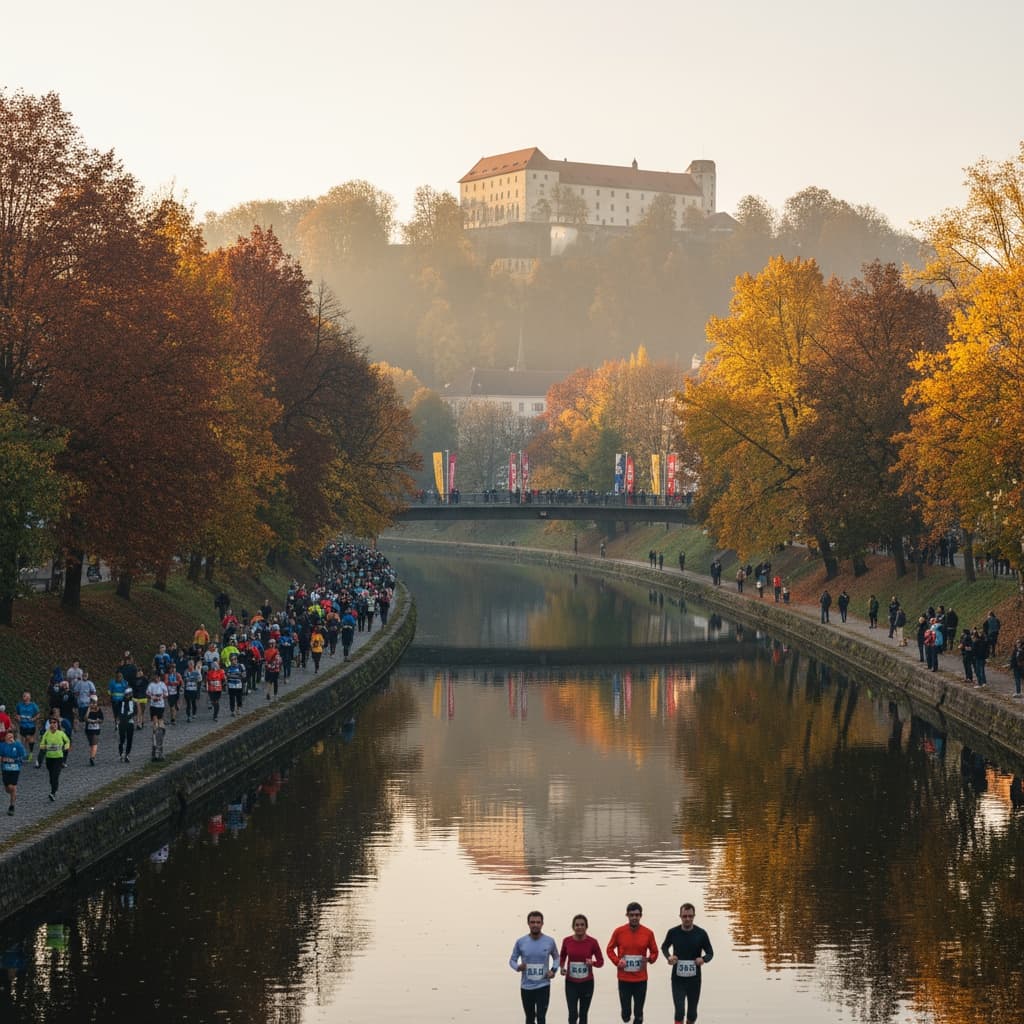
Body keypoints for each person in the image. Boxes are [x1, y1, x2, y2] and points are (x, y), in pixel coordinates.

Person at [661, 903, 714, 1024]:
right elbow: (664, 947)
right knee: (679, 1011)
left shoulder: (701, 933)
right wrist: (669, 957)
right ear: (680, 916)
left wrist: (703, 959)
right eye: (684, 916)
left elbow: (710, 953)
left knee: (692, 1013)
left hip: (694, 980)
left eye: (690, 916)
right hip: (677, 979)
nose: (687, 919)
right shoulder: (673, 932)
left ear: (694, 916)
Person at [606, 902, 658, 1024]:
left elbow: (655, 951)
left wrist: (650, 959)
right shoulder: (619, 931)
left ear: (641, 916)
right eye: (632, 915)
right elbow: (609, 949)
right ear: (627, 915)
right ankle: (626, 1017)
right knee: (626, 1013)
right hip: (624, 979)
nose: (634, 917)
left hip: (641, 979)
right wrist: (617, 961)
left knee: (639, 1012)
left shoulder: (648, 933)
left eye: (637, 915)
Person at [509, 910, 559, 1024]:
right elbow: (512, 960)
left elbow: (557, 957)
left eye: (538, 922)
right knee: (529, 1018)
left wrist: (553, 970)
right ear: (528, 924)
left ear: (542, 924)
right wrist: (518, 967)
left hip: (543, 985)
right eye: (532, 922)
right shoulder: (521, 942)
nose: (535, 925)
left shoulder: (550, 941)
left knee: (541, 1017)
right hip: (526, 987)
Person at [560, 913, 604, 1024]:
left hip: (587, 983)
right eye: (577, 925)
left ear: (586, 927)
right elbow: (562, 956)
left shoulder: (593, 942)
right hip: (571, 983)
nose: (579, 927)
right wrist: (562, 967)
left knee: (583, 1014)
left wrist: (592, 963)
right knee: (572, 1013)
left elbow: (601, 962)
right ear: (573, 927)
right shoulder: (567, 941)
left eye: (582, 925)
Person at [38, 716, 70, 801]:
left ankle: (53, 793)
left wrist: (66, 748)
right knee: (51, 777)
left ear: (57, 724)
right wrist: (46, 747)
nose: (53, 724)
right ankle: (53, 789)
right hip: (49, 758)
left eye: (54, 722)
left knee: (55, 776)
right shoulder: (47, 733)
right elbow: (41, 744)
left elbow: (67, 741)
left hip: (58, 758)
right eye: (51, 723)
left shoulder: (61, 733)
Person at [1, 728, 27, 815]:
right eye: (8, 735)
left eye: (11, 735)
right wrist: (2, 758)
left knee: (13, 787)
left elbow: (23, 755)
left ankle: (12, 806)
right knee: (8, 789)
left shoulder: (17, 745)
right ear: (5, 737)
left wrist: (16, 759)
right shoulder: (2, 745)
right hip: (5, 770)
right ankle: (13, 793)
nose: (10, 737)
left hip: (15, 769)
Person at [15, 691, 39, 757]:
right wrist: (18, 717)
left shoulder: (33, 705)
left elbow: (38, 714)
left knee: (29, 738)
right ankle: (23, 754)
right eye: (23, 696)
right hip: (22, 725)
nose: (23, 697)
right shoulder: (19, 705)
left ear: (29, 697)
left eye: (25, 696)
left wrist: (33, 719)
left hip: (31, 726)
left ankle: (30, 752)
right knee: (22, 740)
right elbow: (16, 713)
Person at [116, 690, 136, 763]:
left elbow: (134, 712)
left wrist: (128, 717)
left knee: (129, 739)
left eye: (129, 694)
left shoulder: (133, 702)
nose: (128, 696)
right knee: (122, 739)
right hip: (122, 723)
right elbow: (118, 712)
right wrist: (118, 721)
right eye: (127, 694)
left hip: (130, 722)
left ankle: (127, 754)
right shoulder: (121, 702)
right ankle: (121, 754)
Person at [84, 694, 104, 765]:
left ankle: (92, 758)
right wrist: (89, 709)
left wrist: (98, 720)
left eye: (95, 703)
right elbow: (85, 718)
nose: (93, 704)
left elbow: (102, 720)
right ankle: (92, 754)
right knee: (91, 744)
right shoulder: (87, 709)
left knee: (94, 743)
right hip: (88, 730)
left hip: (96, 729)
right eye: (92, 702)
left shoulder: (99, 710)